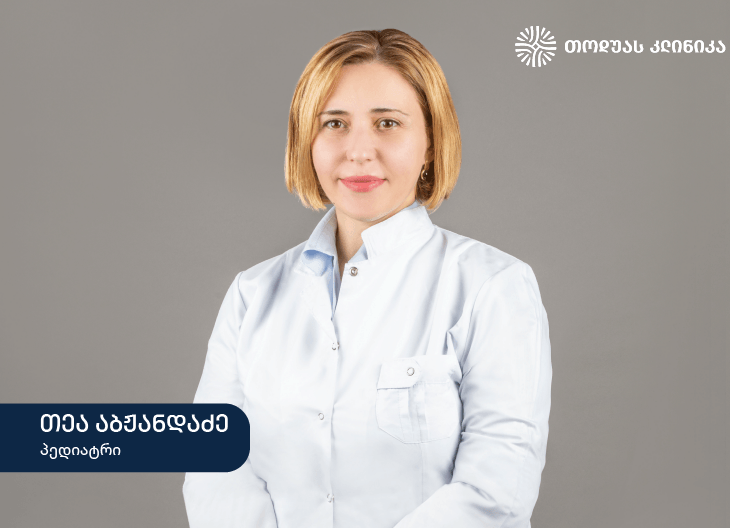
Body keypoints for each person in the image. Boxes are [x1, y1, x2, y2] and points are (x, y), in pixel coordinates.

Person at [183, 28, 552, 528]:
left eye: (387, 123)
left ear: (430, 142)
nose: (358, 151)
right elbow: (214, 465)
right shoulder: (252, 294)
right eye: (334, 123)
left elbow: (496, 491)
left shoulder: (493, 288)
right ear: (306, 140)